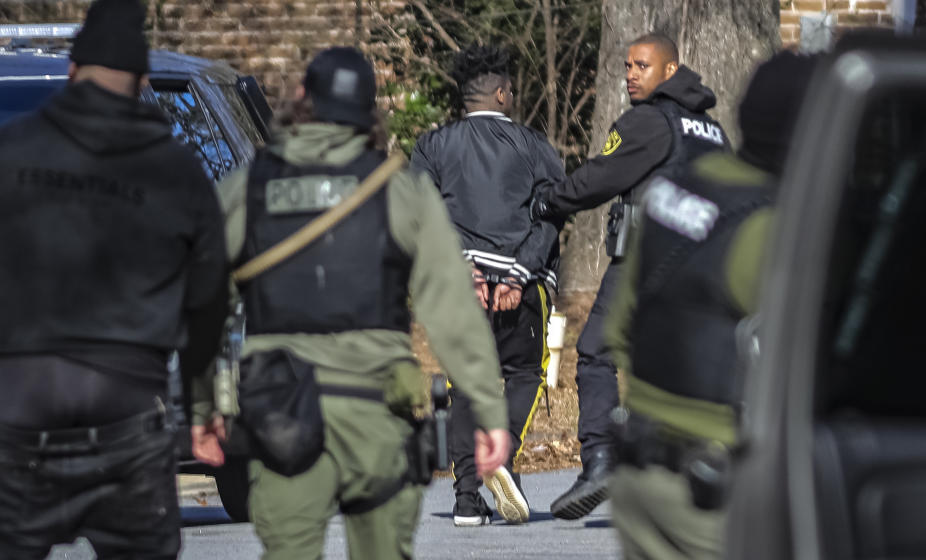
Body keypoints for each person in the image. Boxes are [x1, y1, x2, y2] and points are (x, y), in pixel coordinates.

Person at [190, 47, 511, 560]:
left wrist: (204, 406)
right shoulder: (400, 191)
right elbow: (451, 311)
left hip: (279, 416)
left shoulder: (245, 191)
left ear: (300, 100)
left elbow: (204, 307)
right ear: (370, 112)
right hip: (376, 414)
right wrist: (490, 412)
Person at [0, 0, 229, 558]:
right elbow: (208, 303)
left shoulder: (11, 153)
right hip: (126, 411)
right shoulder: (177, 171)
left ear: (73, 72)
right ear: (142, 81)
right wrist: (202, 409)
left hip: (18, 410)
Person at [605, 51, 819, 560]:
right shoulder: (778, 227)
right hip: (716, 492)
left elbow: (618, 330)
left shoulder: (670, 191)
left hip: (639, 473)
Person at [531, 33, 729, 519]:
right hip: (706, 268)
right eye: (626, 66)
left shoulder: (649, 121)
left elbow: (600, 176)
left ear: (669, 70)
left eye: (641, 66)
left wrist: (549, 201)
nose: (630, 74)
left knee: (597, 351)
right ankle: (695, 472)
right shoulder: (710, 130)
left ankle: (600, 460)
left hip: (648, 260)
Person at [409, 43, 563, 527]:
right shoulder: (536, 147)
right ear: (501, 94)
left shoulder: (432, 145)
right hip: (523, 284)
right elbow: (553, 216)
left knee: (464, 388)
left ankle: (466, 500)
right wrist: (519, 272)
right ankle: (501, 455)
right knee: (524, 374)